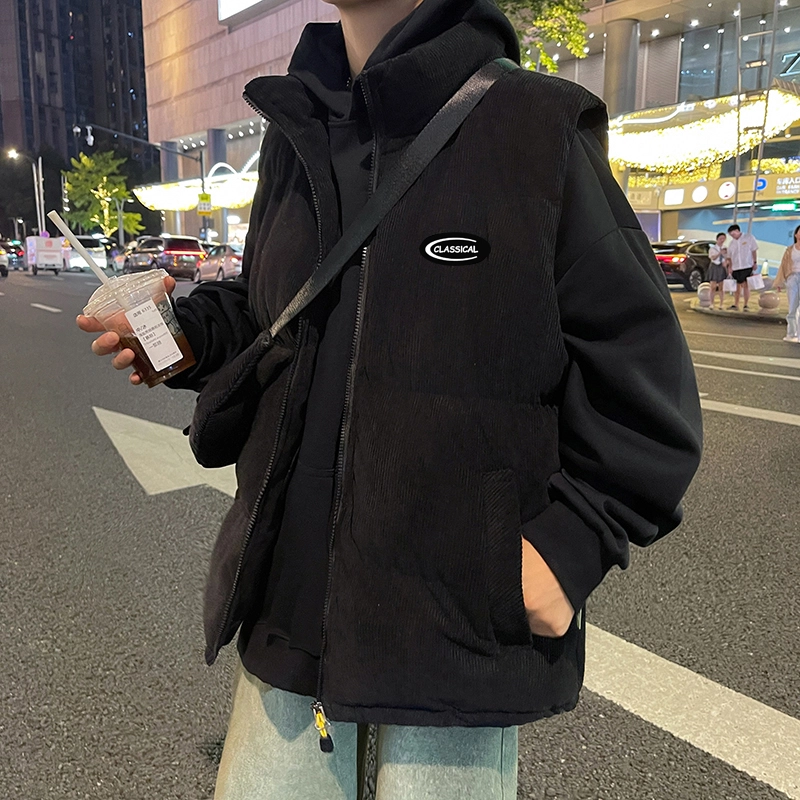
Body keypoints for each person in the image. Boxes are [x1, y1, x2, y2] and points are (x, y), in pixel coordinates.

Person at [76, 0, 703, 795]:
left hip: (453, 638)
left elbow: (647, 380)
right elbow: (275, 310)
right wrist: (181, 335)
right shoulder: (295, 129)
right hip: (288, 616)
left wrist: (572, 543)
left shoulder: (536, 125)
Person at [771, 224, 800, 343]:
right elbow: (783, 267)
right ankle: (791, 333)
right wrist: (779, 282)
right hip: (792, 277)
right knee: (792, 307)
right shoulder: (789, 250)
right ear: (796, 234)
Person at [726, 223, 759, 311]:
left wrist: (755, 262)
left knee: (746, 286)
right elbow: (729, 257)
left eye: (733, 234)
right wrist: (730, 267)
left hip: (747, 265)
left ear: (737, 231)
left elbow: (754, 250)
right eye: (731, 235)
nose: (733, 236)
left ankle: (746, 304)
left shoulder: (749, 238)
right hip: (736, 267)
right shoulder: (731, 243)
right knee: (737, 287)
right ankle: (736, 304)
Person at [707, 232, 728, 310]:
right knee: (713, 286)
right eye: (720, 239)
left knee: (721, 287)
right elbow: (713, 257)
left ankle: (721, 304)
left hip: (722, 267)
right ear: (717, 239)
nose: (722, 240)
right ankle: (711, 303)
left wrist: (726, 262)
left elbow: (727, 258)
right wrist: (720, 253)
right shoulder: (713, 248)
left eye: (723, 239)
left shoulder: (725, 248)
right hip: (714, 266)